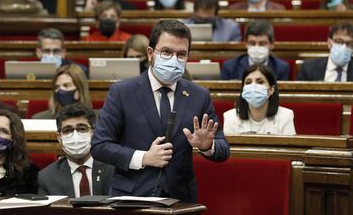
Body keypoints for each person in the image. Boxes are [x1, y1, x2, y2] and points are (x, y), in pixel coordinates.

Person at [91, 20, 230, 202]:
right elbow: (99, 146)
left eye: (181, 54)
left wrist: (207, 146)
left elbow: (223, 149)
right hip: (131, 198)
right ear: (150, 53)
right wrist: (143, 158)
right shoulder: (122, 92)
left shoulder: (199, 95)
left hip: (180, 201)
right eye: (166, 52)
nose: (174, 59)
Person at [38, 103, 114, 197]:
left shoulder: (113, 170)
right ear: (59, 137)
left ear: (94, 133)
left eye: (82, 129)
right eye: (67, 130)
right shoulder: (47, 177)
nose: (75, 136)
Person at [224, 64, 296, 135]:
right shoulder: (230, 117)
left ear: (271, 90)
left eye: (260, 82)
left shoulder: (285, 116)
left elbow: (290, 145)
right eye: (248, 82)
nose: (253, 87)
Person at [221, 20, 289, 80]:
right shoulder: (230, 66)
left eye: (262, 44)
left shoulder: (281, 68)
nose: (257, 48)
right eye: (252, 43)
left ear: (272, 44)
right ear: (245, 43)